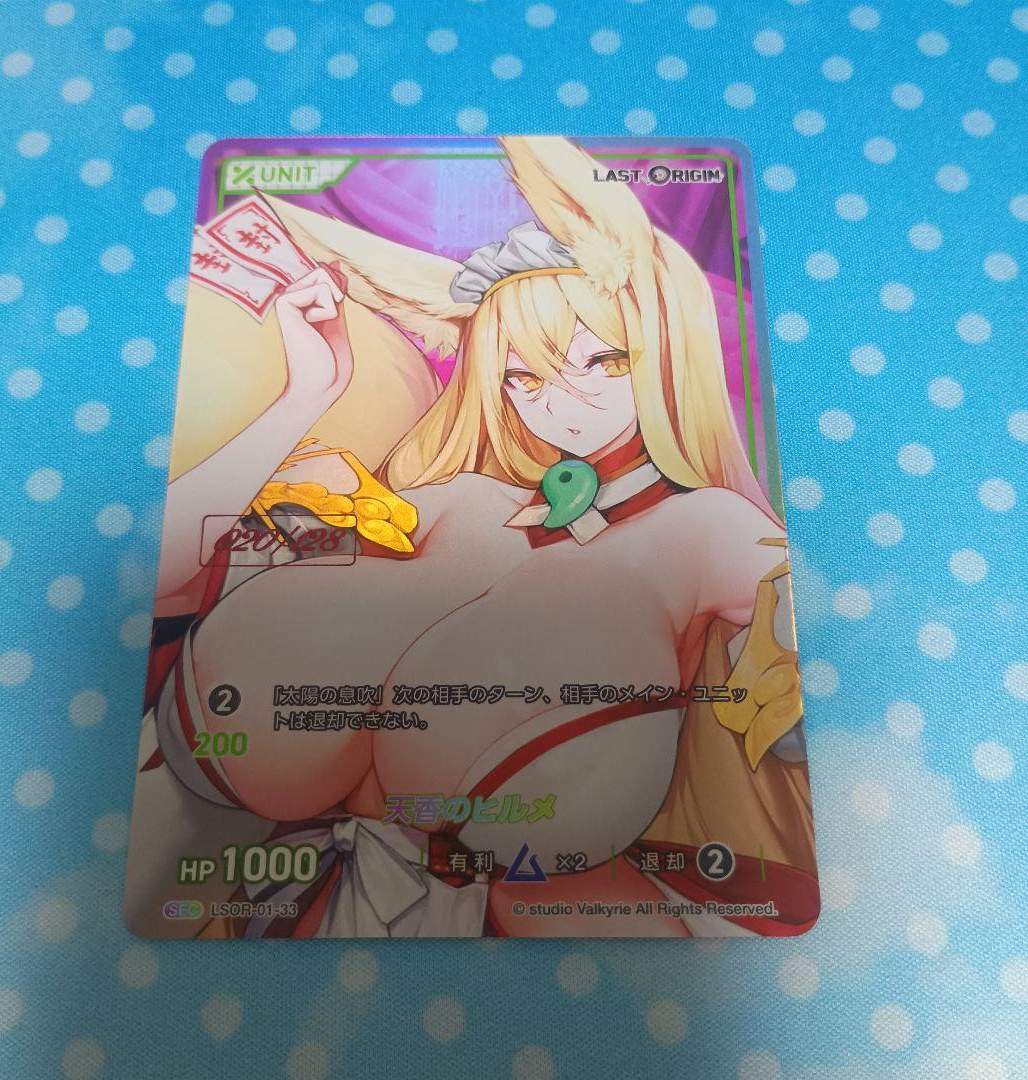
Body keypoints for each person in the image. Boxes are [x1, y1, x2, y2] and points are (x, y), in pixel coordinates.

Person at [124, 137, 818, 939]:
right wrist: (311, 391)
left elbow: (802, 676)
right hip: (219, 905)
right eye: (524, 377)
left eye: (601, 361)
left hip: (539, 950)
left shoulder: (706, 532)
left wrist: (772, 679)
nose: (562, 401)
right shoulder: (457, 501)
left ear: (663, 354)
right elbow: (166, 567)